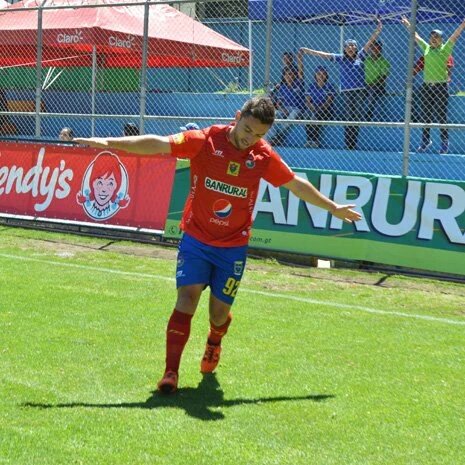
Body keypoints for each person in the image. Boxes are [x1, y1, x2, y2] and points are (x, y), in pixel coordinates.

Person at [74, 97, 362, 394]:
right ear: (237, 117)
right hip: (196, 239)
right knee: (186, 299)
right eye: (247, 129)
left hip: (233, 246)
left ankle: (214, 340)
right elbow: (158, 143)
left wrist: (333, 208)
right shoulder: (204, 141)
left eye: (259, 135)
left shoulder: (262, 156)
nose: (250, 138)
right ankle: (170, 372)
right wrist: (107, 142)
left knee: (218, 314)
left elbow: (294, 184)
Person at [299, 20, 383, 150]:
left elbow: (369, 43)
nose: (350, 48)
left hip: (359, 91)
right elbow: (325, 55)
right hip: (346, 92)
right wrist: (308, 51)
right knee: (348, 117)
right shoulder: (341, 58)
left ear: (356, 48)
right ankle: (348, 144)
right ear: (344, 48)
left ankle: (353, 144)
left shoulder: (361, 56)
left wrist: (377, 31)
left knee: (356, 117)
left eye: (353, 46)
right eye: (348, 46)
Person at [401, 17, 465, 154]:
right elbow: (416, 36)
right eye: (432, 36)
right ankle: (425, 141)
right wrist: (408, 24)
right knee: (426, 115)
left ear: (441, 39)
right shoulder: (426, 49)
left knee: (441, 116)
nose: (433, 39)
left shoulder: (445, 49)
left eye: (437, 37)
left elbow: (454, 36)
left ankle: (444, 142)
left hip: (440, 87)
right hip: (427, 87)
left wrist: (463, 24)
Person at [297, 53, 335, 148]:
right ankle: (309, 140)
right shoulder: (311, 86)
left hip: (326, 111)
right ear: (315, 75)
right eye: (319, 74)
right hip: (312, 109)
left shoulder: (329, 86)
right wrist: (312, 107)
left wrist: (318, 108)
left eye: (323, 74)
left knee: (316, 115)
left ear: (326, 76)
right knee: (307, 116)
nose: (321, 76)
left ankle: (314, 140)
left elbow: (328, 102)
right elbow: (307, 101)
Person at [266, 67, 305, 146]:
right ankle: (273, 137)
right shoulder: (281, 87)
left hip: (297, 109)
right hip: (285, 108)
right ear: (284, 76)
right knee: (273, 115)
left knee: (293, 114)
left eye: (291, 74)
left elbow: (301, 72)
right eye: (287, 75)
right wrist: (283, 109)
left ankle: (279, 135)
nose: (289, 76)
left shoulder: (299, 84)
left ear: (295, 76)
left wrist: (300, 57)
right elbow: (279, 103)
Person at [364, 40, 391, 121]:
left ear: (380, 50)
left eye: (377, 49)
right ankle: (356, 114)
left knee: (372, 90)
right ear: (370, 49)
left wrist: (372, 84)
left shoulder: (384, 62)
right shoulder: (366, 60)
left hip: (378, 86)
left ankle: (369, 113)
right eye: (373, 49)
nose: (375, 51)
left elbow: (383, 77)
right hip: (365, 85)